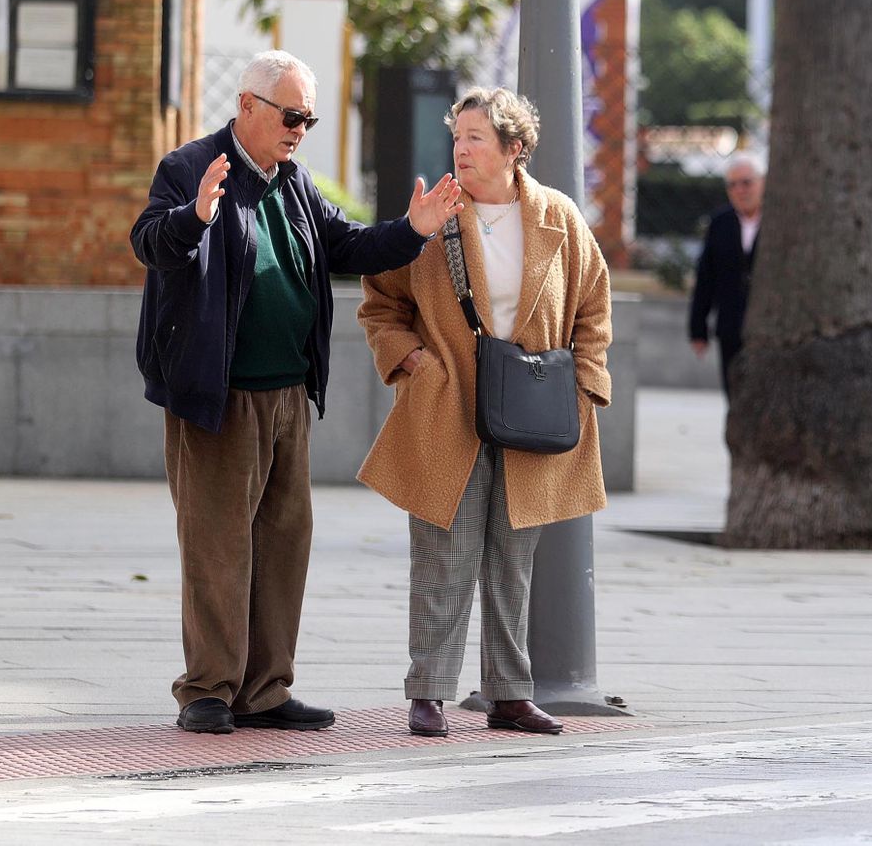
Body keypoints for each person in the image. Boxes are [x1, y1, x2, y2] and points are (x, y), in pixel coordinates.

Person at [131, 50, 463, 735]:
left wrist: (414, 230)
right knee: (217, 545)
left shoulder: (296, 182)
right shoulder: (189, 167)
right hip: (217, 395)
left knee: (284, 542)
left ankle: (264, 687)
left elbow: (348, 246)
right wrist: (194, 216)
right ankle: (208, 689)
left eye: (308, 118)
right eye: (292, 115)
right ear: (248, 105)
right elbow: (149, 243)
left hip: (287, 393)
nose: (300, 129)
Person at [358, 87, 612, 740]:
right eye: (458, 136)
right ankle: (430, 691)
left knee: (513, 557)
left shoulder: (558, 217)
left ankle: (508, 692)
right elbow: (381, 302)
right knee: (443, 551)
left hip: (533, 406)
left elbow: (593, 309)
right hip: (451, 404)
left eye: (477, 137)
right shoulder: (434, 215)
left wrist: (583, 386)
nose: (461, 149)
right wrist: (415, 362)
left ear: (514, 148)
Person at [688, 151, 764, 396]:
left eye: (746, 182)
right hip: (731, 326)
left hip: (769, 328)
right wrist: (698, 329)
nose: (740, 190)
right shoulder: (720, 223)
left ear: (762, 182)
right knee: (734, 393)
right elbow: (706, 277)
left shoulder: (778, 222)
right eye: (732, 185)